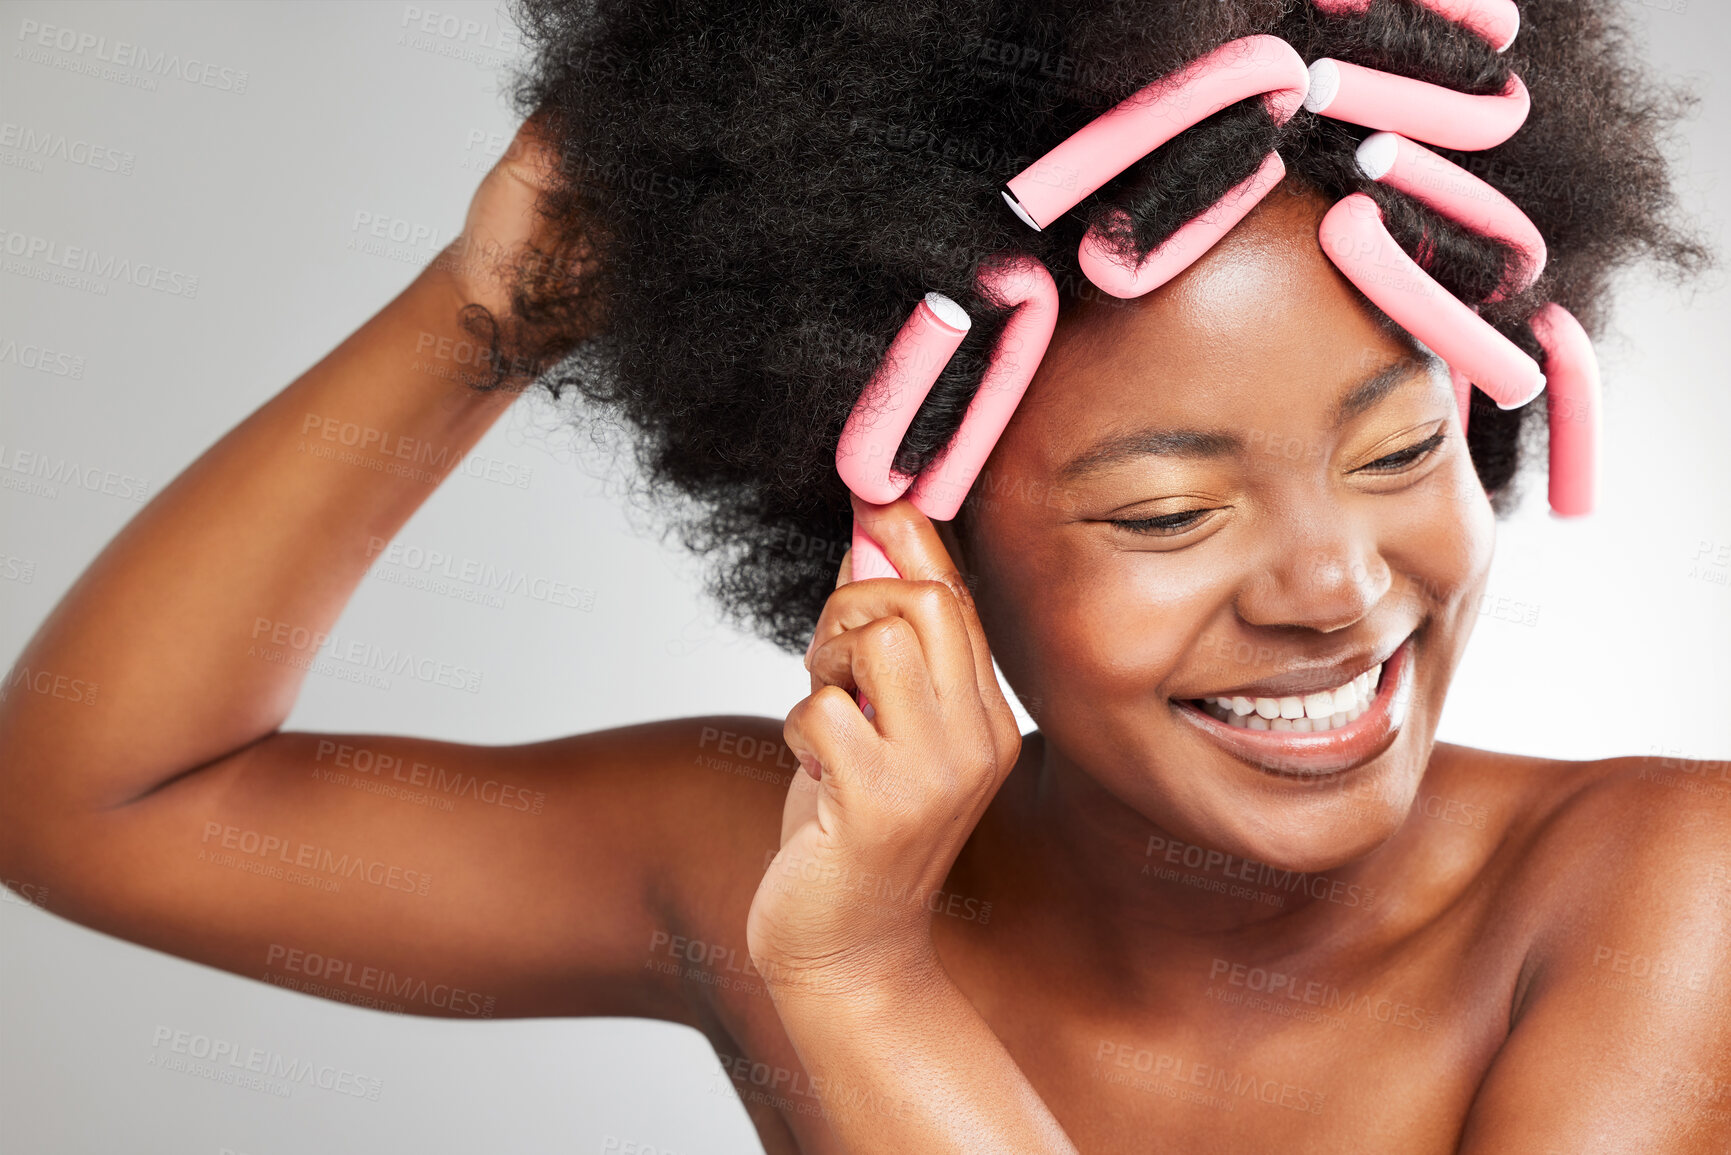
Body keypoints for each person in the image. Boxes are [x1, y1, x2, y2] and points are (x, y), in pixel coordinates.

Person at [1, 0, 1724, 1151]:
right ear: (917, 538)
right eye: (1164, 514)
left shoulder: (1668, 900)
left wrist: (860, 990)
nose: (1337, 589)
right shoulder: (773, 861)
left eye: (1402, 452)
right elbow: (104, 794)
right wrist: (484, 321)